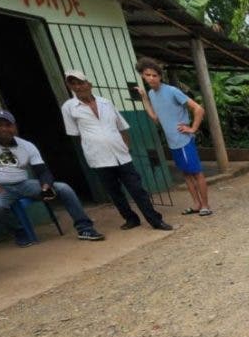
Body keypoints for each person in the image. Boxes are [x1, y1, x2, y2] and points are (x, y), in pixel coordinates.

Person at [60, 69, 172, 232]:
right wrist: (94, 145)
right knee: (115, 193)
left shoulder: (105, 102)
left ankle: (155, 220)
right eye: (73, 84)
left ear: (88, 84)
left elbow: (122, 126)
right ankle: (131, 219)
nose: (78, 87)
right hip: (99, 158)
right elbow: (75, 134)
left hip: (121, 155)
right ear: (70, 86)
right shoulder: (69, 108)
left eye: (80, 83)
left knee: (137, 189)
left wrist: (126, 146)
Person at [0, 108, 104, 247]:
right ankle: (19, 231)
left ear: (14, 127)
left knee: (64, 188)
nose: (4, 129)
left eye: (8, 125)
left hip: (23, 184)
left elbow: (42, 171)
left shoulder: (26, 145)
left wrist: (46, 186)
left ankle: (85, 228)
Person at [135, 58, 212, 216]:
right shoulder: (151, 93)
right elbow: (155, 117)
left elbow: (198, 109)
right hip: (173, 142)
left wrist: (192, 129)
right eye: (147, 75)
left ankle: (205, 206)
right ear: (143, 76)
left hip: (184, 140)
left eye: (154, 75)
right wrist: (144, 98)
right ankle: (196, 204)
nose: (151, 78)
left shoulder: (171, 91)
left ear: (160, 76)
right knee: (186, 173)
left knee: (196, 172)